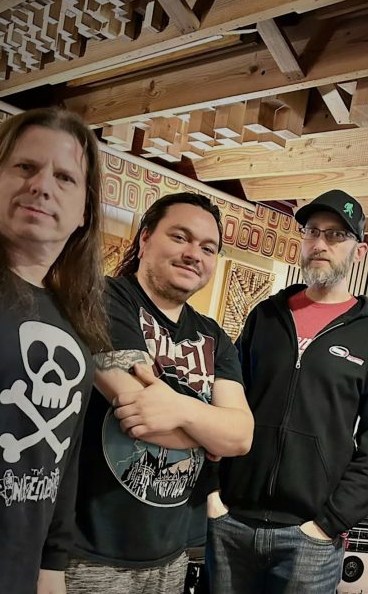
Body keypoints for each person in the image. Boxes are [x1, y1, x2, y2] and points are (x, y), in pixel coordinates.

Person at [207, 189, 368, 593]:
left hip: (310, 540)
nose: (320, 244)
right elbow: (221, 402)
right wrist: (212, 494)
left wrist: (328, 523)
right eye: (313, 231)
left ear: (359, 252)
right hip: (231, 523)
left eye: (336, 235)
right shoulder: (265, 316)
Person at [67, 192, 254, 594]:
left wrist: (180, 410)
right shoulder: (103, 297)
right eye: (180, 237)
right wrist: (211, 432)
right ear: (145, 238)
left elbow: (241, 437)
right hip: (91, 550)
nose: (193, 254)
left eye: (207, 248)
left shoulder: (214, 337)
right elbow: (139, 412)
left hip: (171, 555)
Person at [0, 108, 109, 594]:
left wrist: (51, 565)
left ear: (84, 211)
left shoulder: (74, 319)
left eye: (65, 177)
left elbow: (63, 458)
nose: (42, 186)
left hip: (16, 571)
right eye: (25, 167)